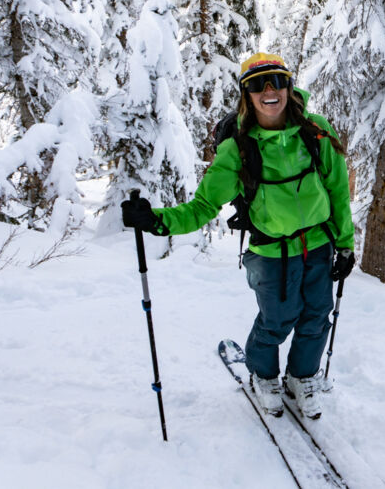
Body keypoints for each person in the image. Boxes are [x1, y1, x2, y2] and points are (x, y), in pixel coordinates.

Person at [121, 52, 355, 420]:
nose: (268, 91)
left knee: (317, 315)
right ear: (246, 95)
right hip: (270, 250)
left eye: (276, 81)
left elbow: (338, 192)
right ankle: (264, 376)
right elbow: (203, 207)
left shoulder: (317, 132)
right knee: (278, 319)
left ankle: (302, 377)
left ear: (288, 87)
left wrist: (345, 244)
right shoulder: (238, 148)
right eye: (256, 85)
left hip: (320, 244)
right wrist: (155, 220)